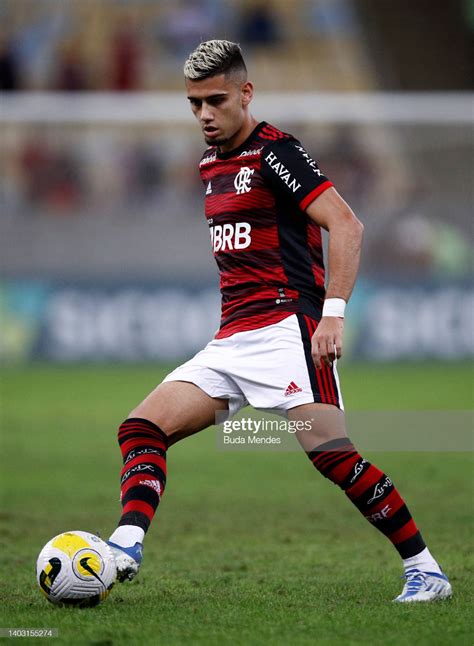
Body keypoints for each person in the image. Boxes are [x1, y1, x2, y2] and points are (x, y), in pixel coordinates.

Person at [107, 40, 451, 603]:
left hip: (289, 330)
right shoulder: (209, 165)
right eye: (194, 103)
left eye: (216, 100)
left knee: (332, 455)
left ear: (246, 94)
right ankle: (124, 546)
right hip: (232, 340)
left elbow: (347, 226)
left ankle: (426, 569)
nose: (204, 114)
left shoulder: (277, 152)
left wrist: (332, 315)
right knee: (141, 428)